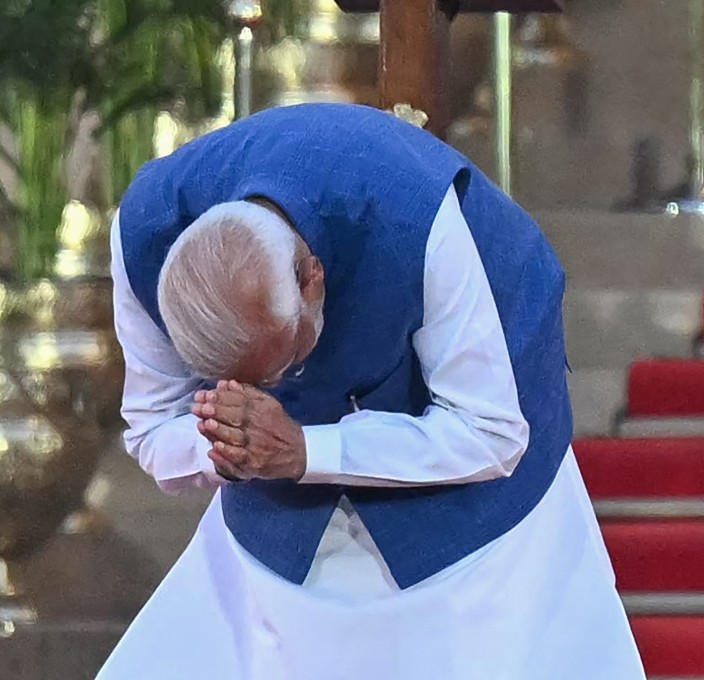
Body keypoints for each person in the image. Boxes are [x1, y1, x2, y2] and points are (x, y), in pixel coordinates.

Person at [98, 103, 645, 679]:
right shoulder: (144, 237)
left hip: (481, 505)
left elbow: (491, 433)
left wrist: (307, 451)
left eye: (283, 367)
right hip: (283, 516)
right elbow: (153, 427)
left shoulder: (415, 219)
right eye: (245, 381)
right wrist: (228, 447)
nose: (281, 390)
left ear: (312, 278)